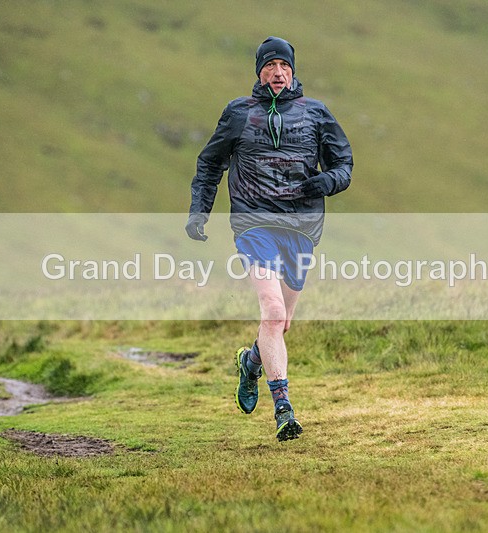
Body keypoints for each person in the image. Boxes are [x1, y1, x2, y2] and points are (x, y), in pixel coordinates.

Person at [186, 36, 353, 441]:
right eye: (269, 66)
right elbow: (210, 163)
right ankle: (284, 409)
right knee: (273, 311)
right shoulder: (238, 113)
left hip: (301, 229)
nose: (277, 72)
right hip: (254, 225)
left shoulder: (316, 113)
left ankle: (251, 362)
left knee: (281, 322)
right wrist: (199, 211)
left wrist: (324, 182)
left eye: (284, 66)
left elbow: (344, 164)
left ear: (293, 71)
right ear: (259, 71)